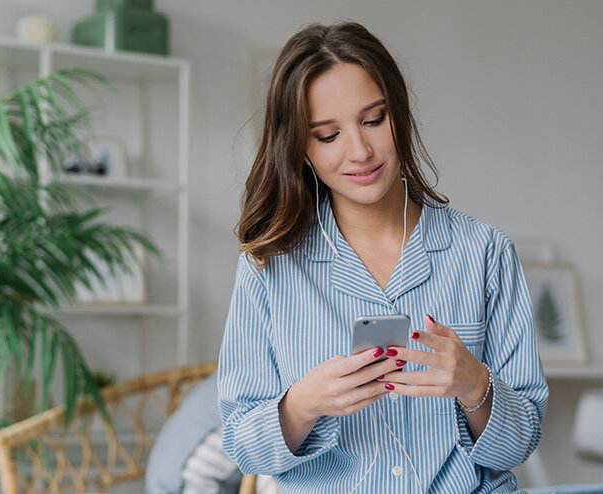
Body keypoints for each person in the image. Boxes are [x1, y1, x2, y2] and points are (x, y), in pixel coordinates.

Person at [218, 21, 548, 493]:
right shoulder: (267, 269)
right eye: (328, 135)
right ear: (300, 148)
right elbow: (242, 445)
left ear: (400, 115)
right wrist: (301, 405)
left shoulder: (484, 253)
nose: (360, 150)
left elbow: (521, 444)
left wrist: (476, 385)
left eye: (373, 119)